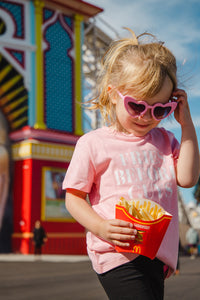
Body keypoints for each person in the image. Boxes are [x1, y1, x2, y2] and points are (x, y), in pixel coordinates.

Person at [62, 28, 199, 300]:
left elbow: (187, 178)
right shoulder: (93, 143)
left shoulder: (166, 140)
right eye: (137, 106)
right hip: (116, 251)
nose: (146, 117)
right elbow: (74, 198)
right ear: (114, 95)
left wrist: (187, 126)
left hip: (157, 253)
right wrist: (100, 227)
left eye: (160, 110)